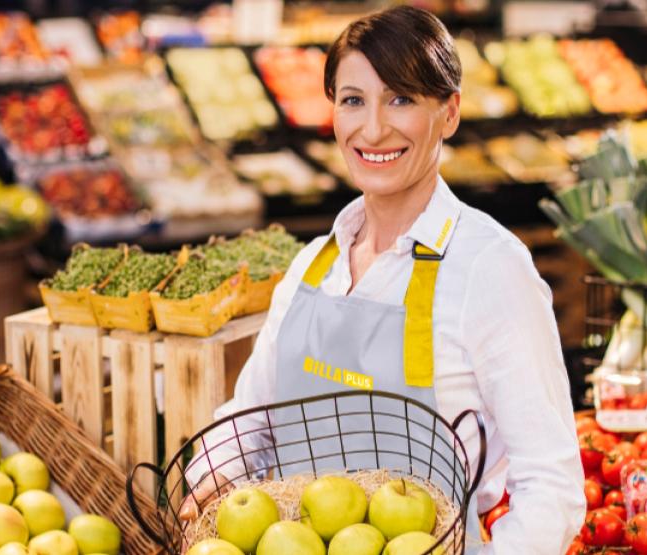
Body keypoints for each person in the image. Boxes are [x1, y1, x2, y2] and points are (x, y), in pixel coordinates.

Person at [180, 6, 584, 553]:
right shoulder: (311, 269)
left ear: (449, 112)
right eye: (353, 101)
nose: (373, 129)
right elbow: (248, 423)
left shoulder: (489, 269)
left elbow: (552, 486)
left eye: (401, 99)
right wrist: (211, 482)